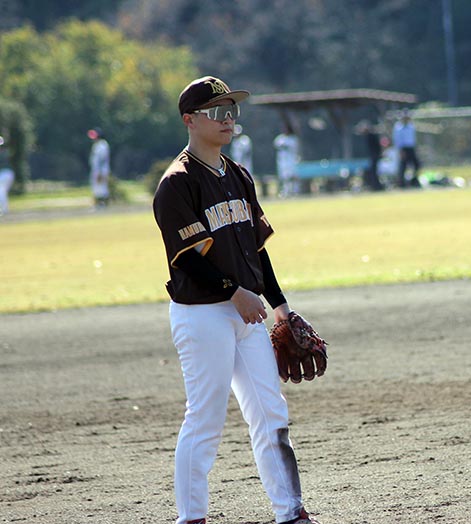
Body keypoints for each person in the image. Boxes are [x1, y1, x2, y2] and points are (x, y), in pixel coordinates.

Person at [152, 76, 320, 524]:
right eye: (216, 111)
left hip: (248, 313)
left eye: (231, 110)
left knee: (271, 412)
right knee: (205, 420)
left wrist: (281, 306)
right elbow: (187, 259)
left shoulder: (239, 175)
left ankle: (291, 513)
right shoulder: (177, 184)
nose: (227, 119)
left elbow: (256, 251)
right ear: (189, 120)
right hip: (202, 314)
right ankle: (191, 517)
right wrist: (234, 292)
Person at [392, 110, 421, 188]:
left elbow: (413, 139)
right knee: (403, 166)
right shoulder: (398, 127)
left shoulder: (411, 126)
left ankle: (414, 180)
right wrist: (400, 151)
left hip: (411, 148)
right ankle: (401, 183)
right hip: (403, 148)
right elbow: (397, 140)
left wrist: (416, 148)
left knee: (417, 165)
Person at [274, 123, 301, 197]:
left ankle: (295, 191)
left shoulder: (293, 139)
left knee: (292, 177)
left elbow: (293, 148)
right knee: (284, 178)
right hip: (282, 162)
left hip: (291, 161)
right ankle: (286, 191)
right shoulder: (280, 138)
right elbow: (277, 145)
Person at [358, 120, 384, 191]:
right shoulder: (368, 136)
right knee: (373, 172)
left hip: (374, 156)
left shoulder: (371, 136)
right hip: (373, 156)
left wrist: (377, 155)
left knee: (374, 172)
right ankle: (375, 185)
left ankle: (376, 186)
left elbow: (377, 147)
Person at [88, 127, 111, 207]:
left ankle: (103, 204)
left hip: (101, 170)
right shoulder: (96, 145)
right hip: (96, 170)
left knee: (102, 188)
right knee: (96, 188)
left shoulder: (102, 145)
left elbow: (102, 159)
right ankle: (98, 204)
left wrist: (100, 172)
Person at [0, 137, 14, 216]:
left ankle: (4, 210)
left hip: (4, 174)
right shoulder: (5, 152)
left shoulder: (2, 154)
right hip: (9, 173)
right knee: (2, 192)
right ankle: (4, 210)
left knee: (1, 192)